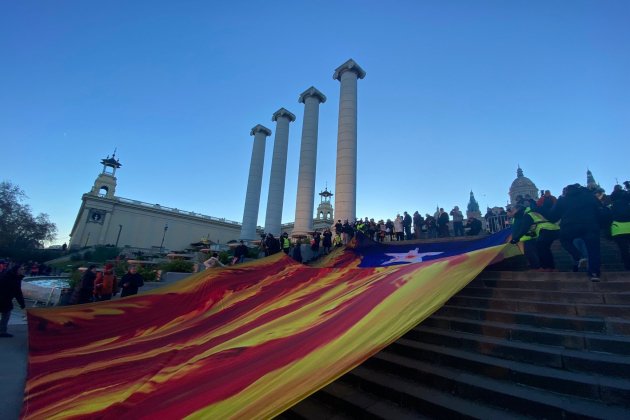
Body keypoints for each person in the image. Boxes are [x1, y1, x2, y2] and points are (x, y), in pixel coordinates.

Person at [549, 184, 603, 281]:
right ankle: (594, 273)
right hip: (590, 226)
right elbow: (600, 211)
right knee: (593, 249)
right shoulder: (590, 197)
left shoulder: (563, 199)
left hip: (570, 227)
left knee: (564, 240)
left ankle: (578, 256)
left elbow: (553, 216)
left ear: (567, 191)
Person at [508, 204, 560, 271]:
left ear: (518, 209)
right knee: (543, 248)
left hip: (547, 230)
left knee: (541, 248)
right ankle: (548, 267)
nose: (512, 212)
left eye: (513, 210)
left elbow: (524, 228)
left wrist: (516, 238)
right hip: (551, 229)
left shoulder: (528, 215)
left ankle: (547, 267)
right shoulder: (531, 212)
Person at [0, 264, 26, 338]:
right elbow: (17, 292)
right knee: (6, 315)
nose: (23, 270)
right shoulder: (13, 278)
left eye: (23, 269)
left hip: (5, 299)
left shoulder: (12, 276)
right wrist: (22, 304)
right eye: (21, 269)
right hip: (4, 299)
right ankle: (2, 331)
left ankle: (2, 331)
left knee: (6, 315)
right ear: (16, 270)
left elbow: (17, 292)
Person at [610, 186, 630, 270]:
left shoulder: (611, 206)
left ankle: (627, 266)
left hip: (617, 229)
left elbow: (608, 217)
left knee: (623, 249)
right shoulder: (628, 204)